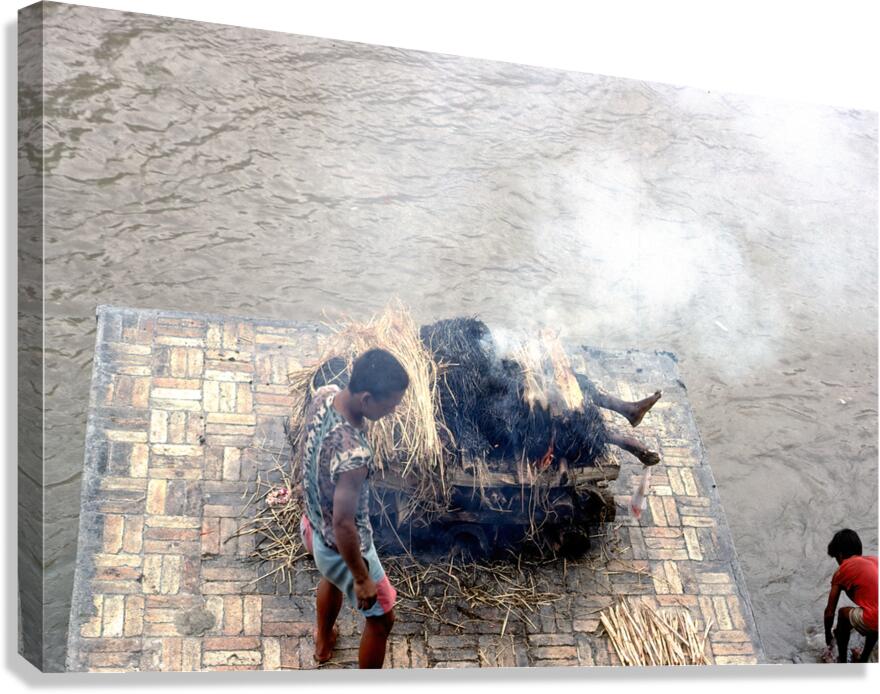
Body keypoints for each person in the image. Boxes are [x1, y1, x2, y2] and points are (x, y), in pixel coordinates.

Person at [297, 348, 409, 668]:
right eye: (390, 404)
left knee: (330, 577)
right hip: (343, 549)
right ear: (366, 399)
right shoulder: (354, 456)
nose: (393, 411)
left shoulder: (324, 395)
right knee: (382, 621)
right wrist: (361, 577)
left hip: (312, 526)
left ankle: (323, 642)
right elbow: (344, 524)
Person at [823, 528, 878, 663]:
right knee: (873, 611)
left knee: (843, 614)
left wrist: (828, 635)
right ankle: (863, 658)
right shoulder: (874, 561)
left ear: (840, 555)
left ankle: (842, 661)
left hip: (875, 618)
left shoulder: (842, 570)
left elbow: (829, 612)